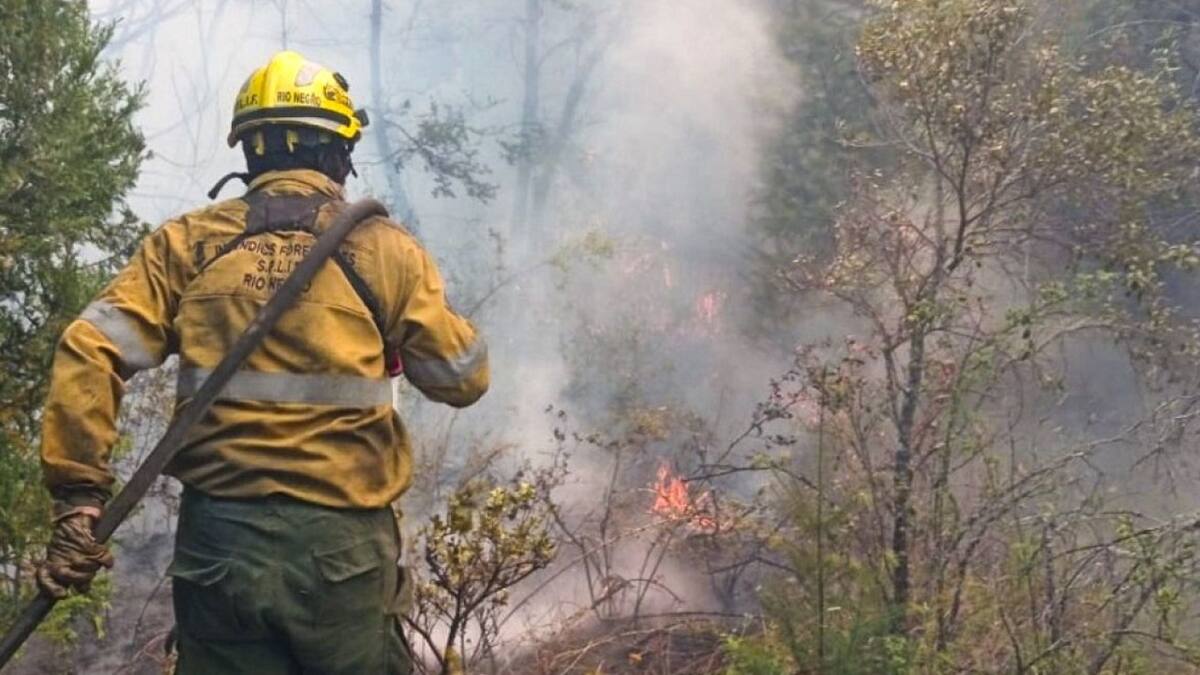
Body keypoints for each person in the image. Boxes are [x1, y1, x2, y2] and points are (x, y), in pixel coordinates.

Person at [36, 50, 488, 674]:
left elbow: (91, 347)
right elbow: (462, 380)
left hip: (218, 550)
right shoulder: (385, 250)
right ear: (338, 153)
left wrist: (79, 500)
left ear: (250, 151)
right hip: (343, 554)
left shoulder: (186, 243)